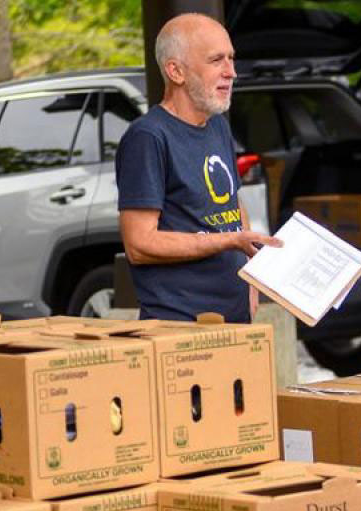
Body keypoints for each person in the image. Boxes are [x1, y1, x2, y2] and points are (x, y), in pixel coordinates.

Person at [115, 12, 279, 323]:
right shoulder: (148, 137)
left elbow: (233, 200)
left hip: (236, 316)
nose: (231, 72)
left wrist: (250, 272)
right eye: (217, 60)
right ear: (176, 71)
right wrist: (231, 241)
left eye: (231, 59)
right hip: (180, 326)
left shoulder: (217, 126)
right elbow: (139, 244)